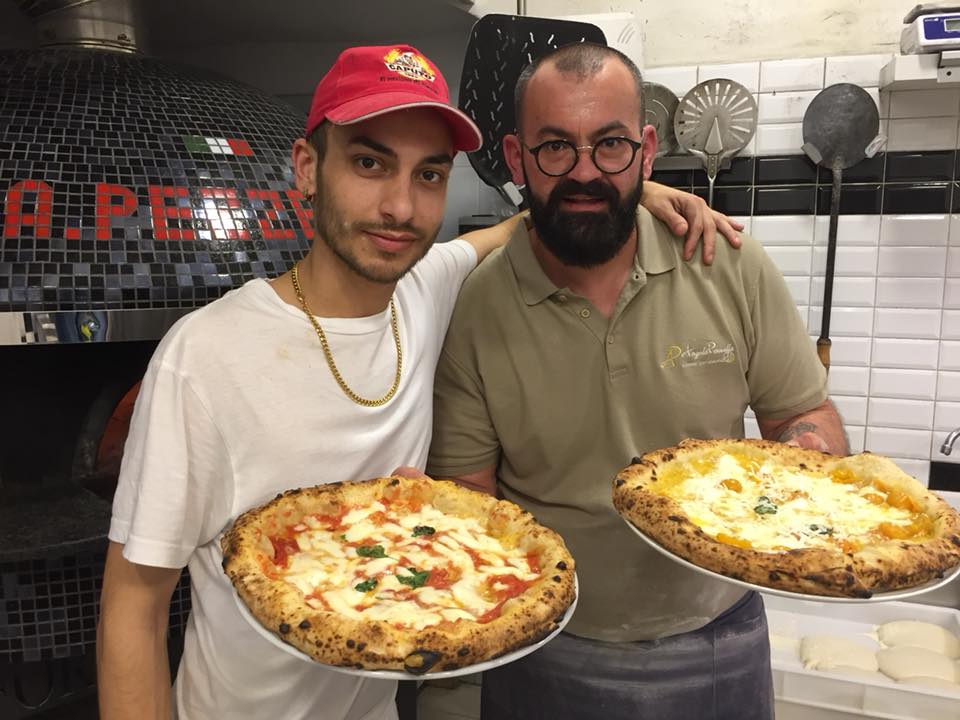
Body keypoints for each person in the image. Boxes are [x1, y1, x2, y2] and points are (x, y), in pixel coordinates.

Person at [95, 44, 740, 720]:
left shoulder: (424, 290)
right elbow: (132, 607)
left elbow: (515, 227)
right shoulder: (204, 358)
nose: (401, 207)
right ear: (308, 169)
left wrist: (637, 190)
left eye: (428, 174)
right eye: (369, 163)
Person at [426, 42, 848, 720]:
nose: (586, 173)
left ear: (648, 150)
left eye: (612, 145)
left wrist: (810, 465)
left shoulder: (728, 265)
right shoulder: (475, 307)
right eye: (557, 148)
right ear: (515, 158)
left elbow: (806, 415)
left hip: (719, 633)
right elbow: (470, 504)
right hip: (546, 642)